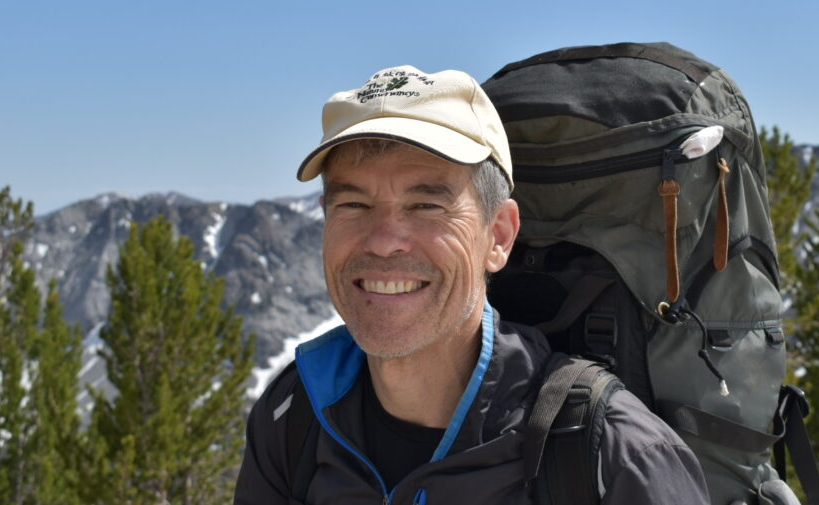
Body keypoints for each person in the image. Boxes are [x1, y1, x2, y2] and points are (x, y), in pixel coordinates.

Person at [234, 65, 709, 504]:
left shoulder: (616, 458)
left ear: (498, 236)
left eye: (427, 206)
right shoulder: (294, 413)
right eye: (353, 206)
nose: (382, 242)